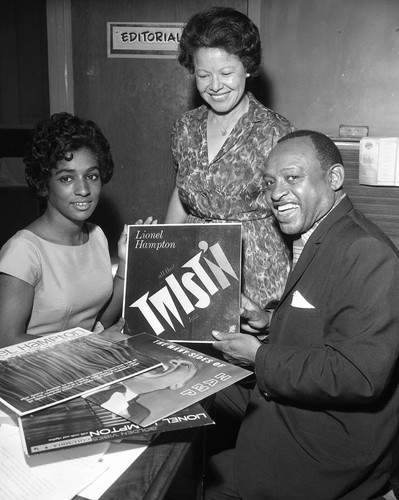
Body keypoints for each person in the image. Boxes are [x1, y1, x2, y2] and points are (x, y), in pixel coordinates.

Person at [206, 130, 399, 499]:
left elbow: (359, 375)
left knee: (196, 480)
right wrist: (266, 326)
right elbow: (323, 326)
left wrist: (259, 356)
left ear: (335, 179)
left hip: (327, 452)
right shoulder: (321, 233)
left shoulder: (365, 250)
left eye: (292, 177)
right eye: (269, 182)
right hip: (301, 416)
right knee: (196, 394)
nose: (277, 193)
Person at [164, 6, 294, 309]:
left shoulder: (276, 131)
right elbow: (181, 194)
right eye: (203, 74)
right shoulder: (185, 127)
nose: (215, 85)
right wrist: (163, 250)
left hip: (256, 272)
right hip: (192, 266)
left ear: (247, 67)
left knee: (243, 353)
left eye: (226, 73)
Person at [0, 112, 153, 348]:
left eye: (91, 176)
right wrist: (90, 345)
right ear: (44, 183)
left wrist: (126, 263)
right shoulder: (24, 250)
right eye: (66, 178)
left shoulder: (96, 235)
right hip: (37, 375)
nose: (83, 189)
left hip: (84, 363)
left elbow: (99, 322)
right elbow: (6, 342)